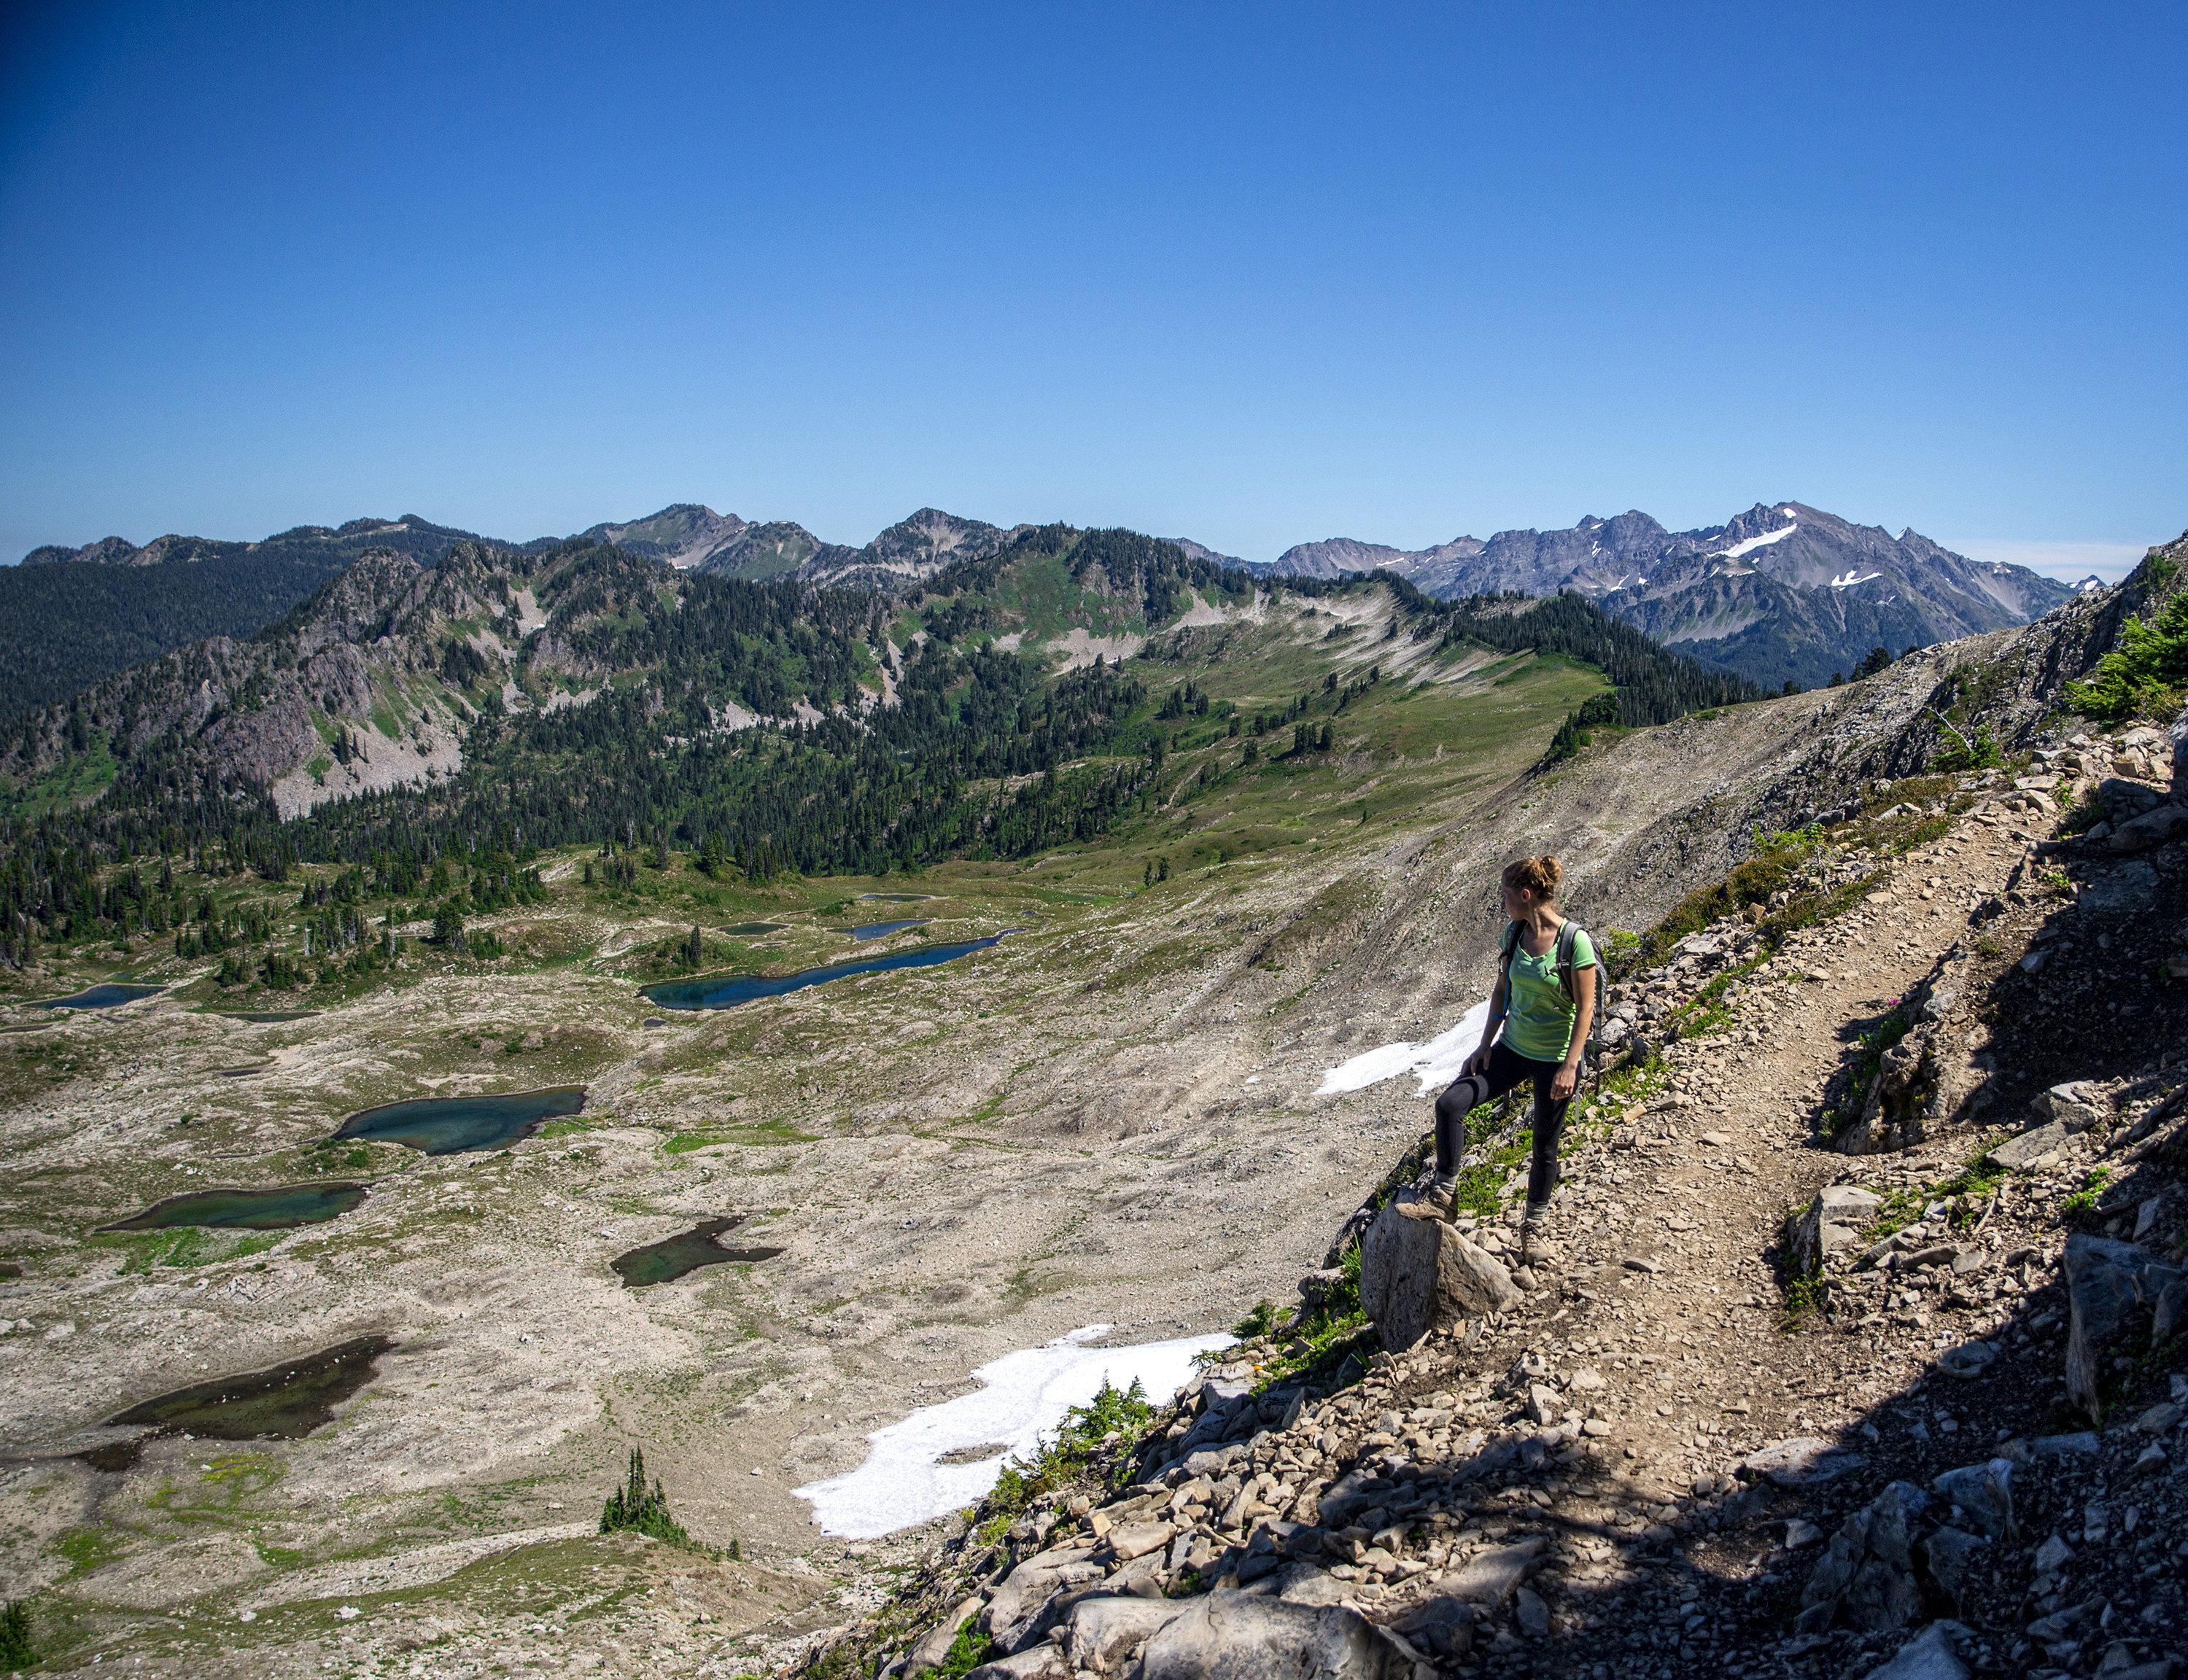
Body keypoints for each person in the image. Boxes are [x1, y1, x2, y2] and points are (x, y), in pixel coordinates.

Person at [1420, 855, 1597, 1267]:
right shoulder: (1514, 933)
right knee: (1450, 1104)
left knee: (1544, 1148)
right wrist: (1484, 1044)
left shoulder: (1574, 942)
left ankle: (1532, 1229)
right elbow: (1501, 991)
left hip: (1554, 1059)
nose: (1501, 901)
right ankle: (1445, 1194)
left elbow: (1586, 1009)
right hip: (1513, 1049)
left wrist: (1571, 1065)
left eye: (1505, 894)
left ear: (1526, 894)